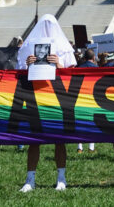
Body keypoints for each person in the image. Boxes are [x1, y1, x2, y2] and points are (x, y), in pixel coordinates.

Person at [18, 14, 78, 192]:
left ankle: (61, 177)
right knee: (34, 140)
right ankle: (30, 179)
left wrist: (59, 64)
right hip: (35, 96)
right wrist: (27, 64)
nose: (47, 27)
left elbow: (71, 75)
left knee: (59, 140)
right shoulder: (28, 47)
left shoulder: (64, 48)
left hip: (56, 97)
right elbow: (19, 72)